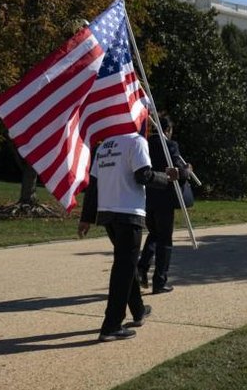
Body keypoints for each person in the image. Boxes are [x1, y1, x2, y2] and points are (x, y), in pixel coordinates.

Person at [78, 131, 179, 342]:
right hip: (128, 213)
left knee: (127, 264)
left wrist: (86, 217)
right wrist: (166, 177)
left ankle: (139, 311)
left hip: (107, 213)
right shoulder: (136, 141)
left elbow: (93, 183)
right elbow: (143, 175)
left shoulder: (104, 146)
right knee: (123, 268)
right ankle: (111, 325)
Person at [137, 116, 192, 294]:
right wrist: (187, 171)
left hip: (147, 198)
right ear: (167, 130)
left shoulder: (143, 145)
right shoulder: (170, 146)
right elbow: (177, 171)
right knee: (165, 240)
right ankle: (160, 280)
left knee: (154, 234)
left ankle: (142, 267)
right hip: (165, 199)